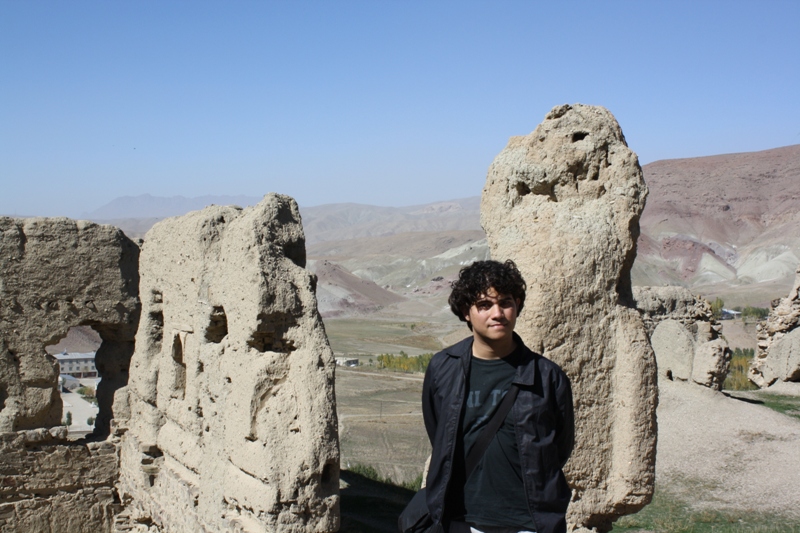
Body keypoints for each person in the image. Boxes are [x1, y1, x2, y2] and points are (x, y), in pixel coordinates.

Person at [422, 260, 574, 533]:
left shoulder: (547, 376)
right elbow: (439, 434)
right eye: (484, 305)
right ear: (466, 312)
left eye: (505, 302)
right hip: (461, 520)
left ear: (517, 305)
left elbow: (559, 447)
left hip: (528, 523)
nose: (497, 313)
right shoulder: (443, 367)